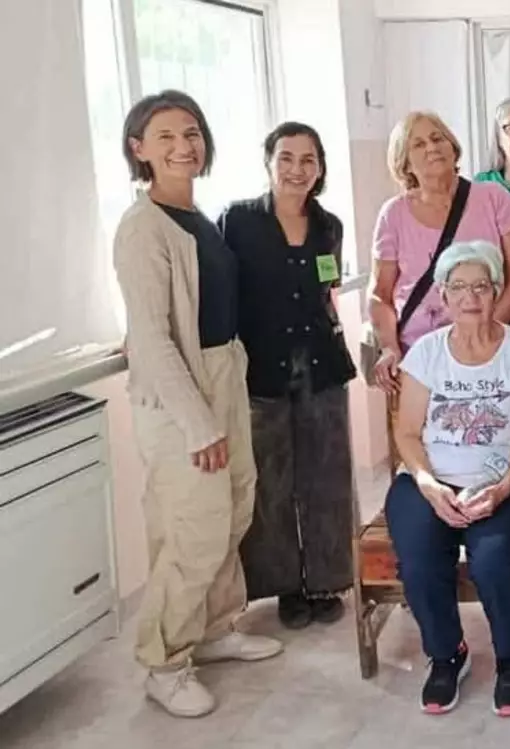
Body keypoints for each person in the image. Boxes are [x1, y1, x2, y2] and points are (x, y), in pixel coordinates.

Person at [114, 90, 282, 719]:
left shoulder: (196, 217)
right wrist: (196, 424)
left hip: (223, 371)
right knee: (194, 526)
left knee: (234, 506)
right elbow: (153, 338)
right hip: (181, 394)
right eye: (165, 137)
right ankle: (164, 662)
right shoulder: (142, 228)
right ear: (139, 150)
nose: (184, 146)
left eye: (191, 133)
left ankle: (213, 629)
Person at [385, 240, 510, 717]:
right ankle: (446, 654)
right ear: (443, 295)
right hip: (430, 479)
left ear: (497, 291)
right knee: (419, 560)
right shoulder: (426, 353)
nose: (470, 297)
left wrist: (502, 488)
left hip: (505, 479)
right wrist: (429, 485)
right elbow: (407, 433)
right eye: (458, 287)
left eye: (481, 286)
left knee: (493, 558)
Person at [218, 122, 357, 629]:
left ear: (320, 168)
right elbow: (217, 290)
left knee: (327, 478)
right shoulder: (238, 221)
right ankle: (284, 588)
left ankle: (325, 580)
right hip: (262, 370)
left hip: (322, 365)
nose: (297, 169)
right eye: (287, 158)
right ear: (269, 162)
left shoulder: (329, 226)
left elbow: (327, 292)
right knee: (270, 484)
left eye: (308, 159)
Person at [368, 110, 510, 395]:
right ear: (405, 163)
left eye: (437, 138)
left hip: (490, 352)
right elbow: (381, 294)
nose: (431, 147)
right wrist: (390, 348)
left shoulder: (493, 197)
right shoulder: (393, 214)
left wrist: (485, 334)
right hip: (420, 360)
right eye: (418, 144)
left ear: (452, 147)